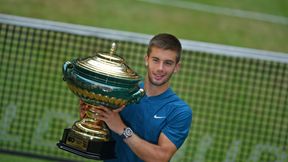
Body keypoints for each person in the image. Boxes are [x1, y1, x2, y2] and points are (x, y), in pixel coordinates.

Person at [82, 33, 192, 162]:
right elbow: (97, 142)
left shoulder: (179, 111)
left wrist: (122, 129)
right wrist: (90, 117)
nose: (160, 68)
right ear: (146, 60)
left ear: (176, 67)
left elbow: (161, 157)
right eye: (155, 60)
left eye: (168, 63)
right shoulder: (121, 93)